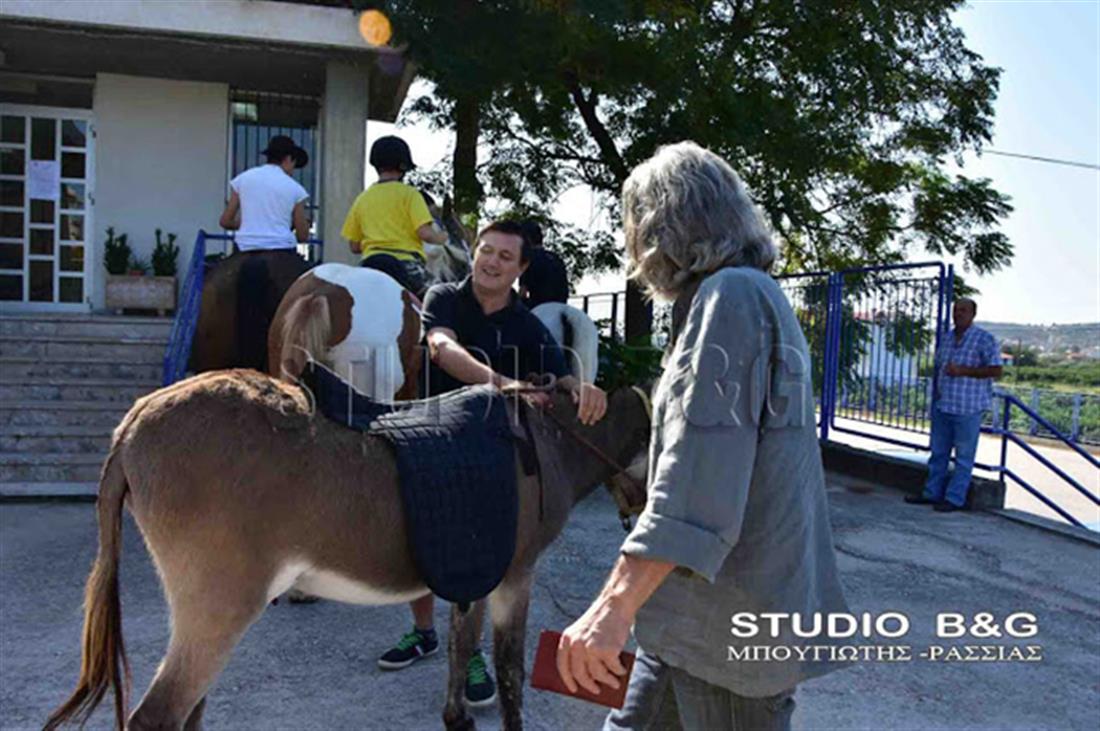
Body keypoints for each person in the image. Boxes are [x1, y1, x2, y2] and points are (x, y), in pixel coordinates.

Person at [554, 142, 849, 731]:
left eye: (633, 226)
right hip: (690, 620)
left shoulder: (730, 298)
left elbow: (699, 488)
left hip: (729, 634)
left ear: (661, 228)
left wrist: (611, 609)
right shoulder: (744, 296)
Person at [376, 219, 609, 708]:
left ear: (521, 269)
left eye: (505, 256)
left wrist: (581, 387)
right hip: (427, 433)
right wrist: (503, 383)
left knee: (478, 551)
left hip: (486, 451)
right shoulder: (443, 296)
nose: (491, 261)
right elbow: (441, 348)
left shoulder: (527, 324)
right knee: (412, 538)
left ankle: (471, 649)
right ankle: (423, 632)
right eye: (486, 250)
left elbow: (561, 378)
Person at [218, 135, 311, 369]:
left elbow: (226, 221)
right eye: (293, 164)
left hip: (244, 250)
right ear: (288, 159)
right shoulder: (295, 189)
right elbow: (302, 236)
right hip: (282, 251)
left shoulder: (243, 180)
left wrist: (250, 223)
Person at [906, 298, 1003, 512]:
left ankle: (954, 499)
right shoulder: (947, 338)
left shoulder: (984, 339)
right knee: (938, 454)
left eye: (963, 310)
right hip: (944, 406)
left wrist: (964, 371)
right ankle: (931, 494)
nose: (958, 314)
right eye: (956, 310)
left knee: (963, 458)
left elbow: (996, 371)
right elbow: (939, 367)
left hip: (968, 408)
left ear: (973, 314)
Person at [341, 135, 448, 296]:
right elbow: (424, 233)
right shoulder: (410, 194)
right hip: (406, 264)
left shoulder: (362, 198)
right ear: (403, 166)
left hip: (369, 265)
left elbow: (354, 246)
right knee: (439, 301)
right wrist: (444, 238)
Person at [517, 219, 570, 308]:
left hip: (538, 308)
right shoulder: (556, 258)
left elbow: (523, 292)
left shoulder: (528, 259)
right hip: (560, 307)